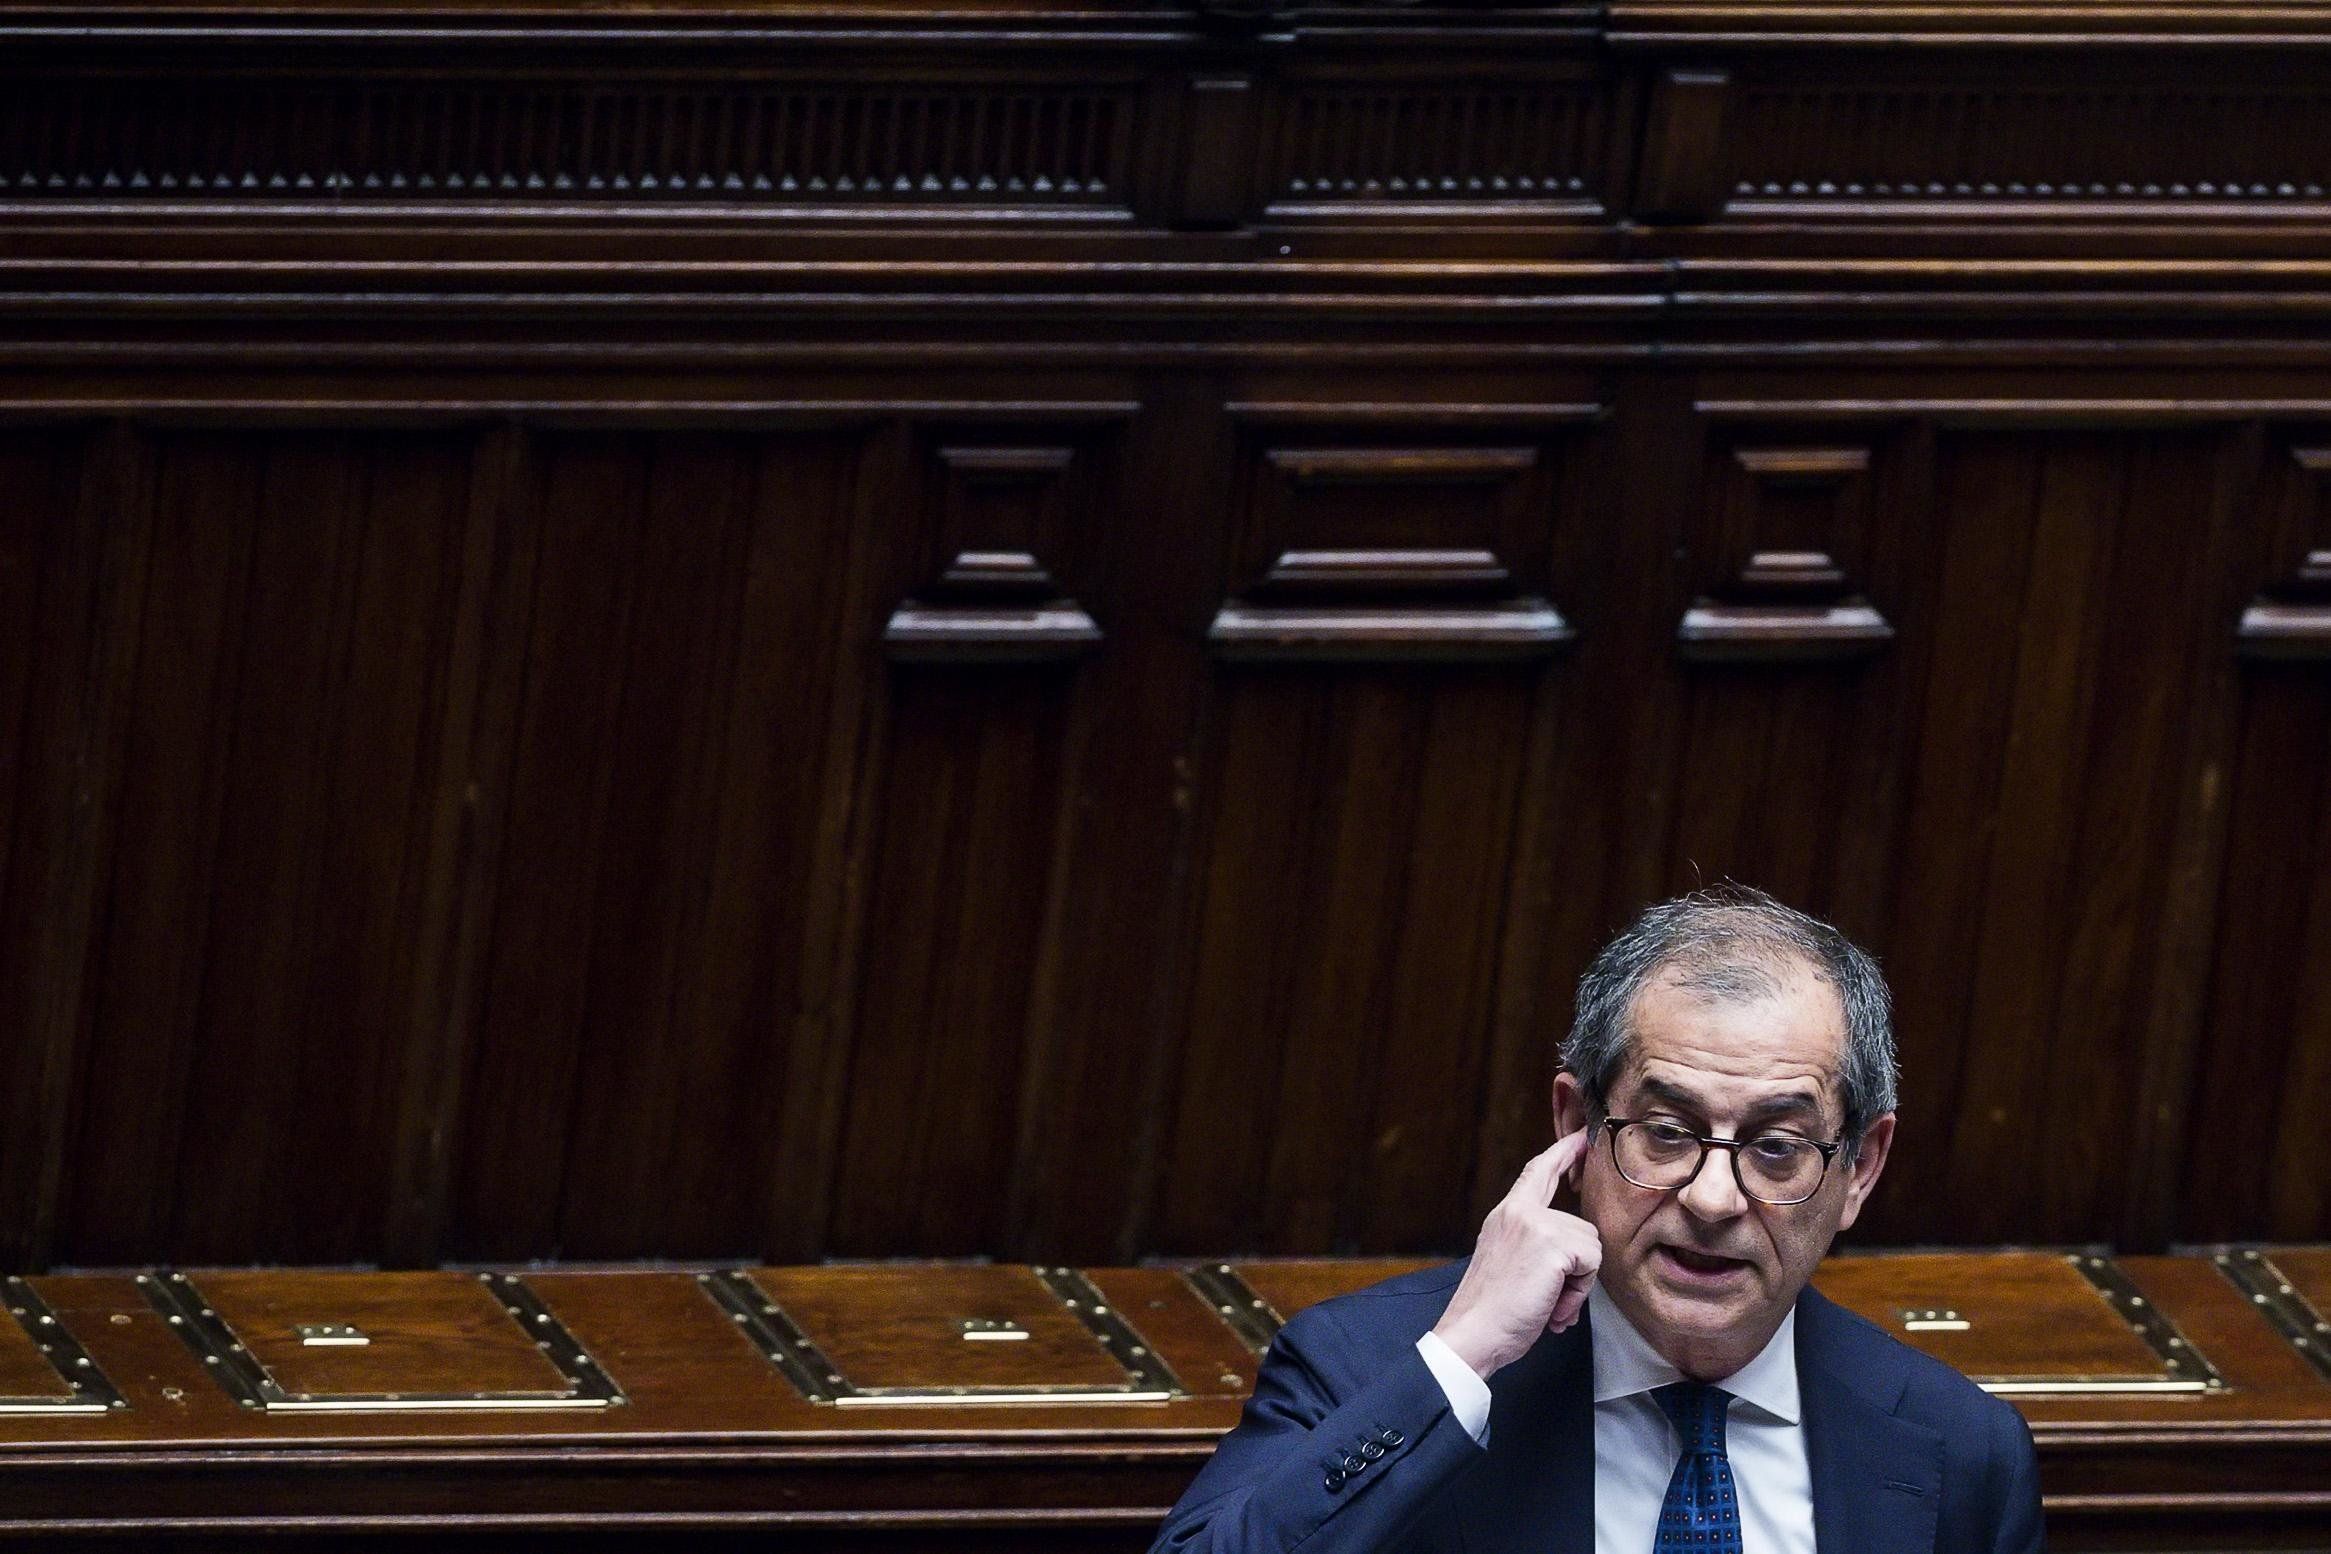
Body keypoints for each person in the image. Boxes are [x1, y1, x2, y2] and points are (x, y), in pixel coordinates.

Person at [1152, 884, 2043, 1554]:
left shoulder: (1963, 1450)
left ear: (1859, 1169)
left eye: (1777, 1148)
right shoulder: (1371, 1372)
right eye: (1664, 1132)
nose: (1711, 1199)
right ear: (1576, 1127)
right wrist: (1459, 1363)